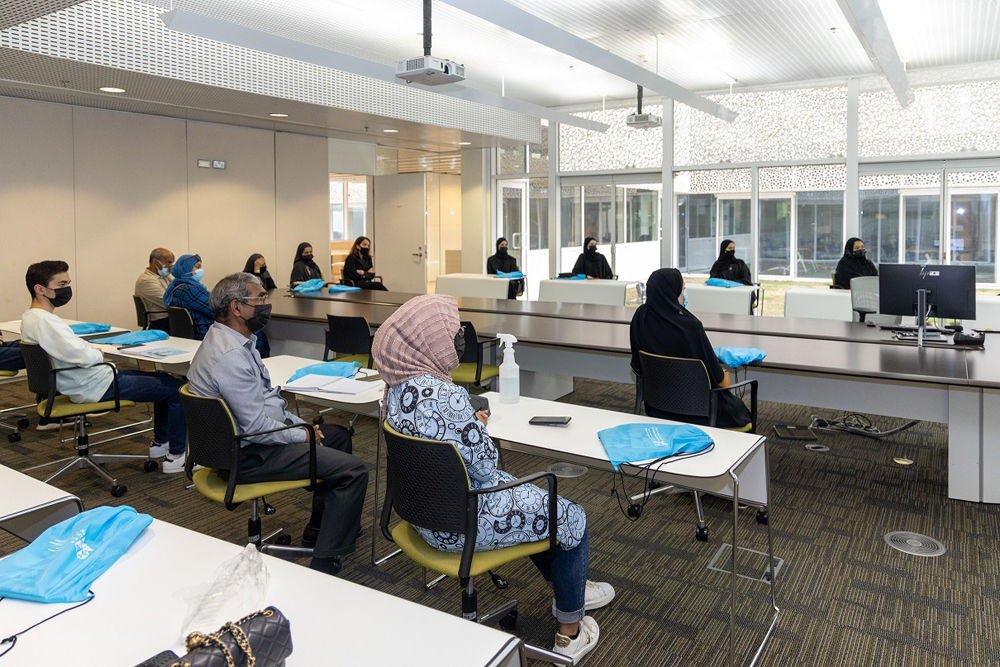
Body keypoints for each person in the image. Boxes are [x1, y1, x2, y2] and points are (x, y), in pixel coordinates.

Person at [372, 294, 614, 663]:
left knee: (538, 504)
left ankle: (571, 588)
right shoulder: (447, 396)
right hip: (461, 523)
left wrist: (467, 428)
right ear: (430, 340)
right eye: (450, 332)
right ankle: (570, 631)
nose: (457, 339)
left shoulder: (395, 389)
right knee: (571, 515)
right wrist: (478, 428)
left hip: (421, 514)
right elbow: (485, 465)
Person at [187, 272, 369, 576]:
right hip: (247, 455)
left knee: (338, 436)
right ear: (236, 307)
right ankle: (324, 561)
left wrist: (305, 428)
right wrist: (302, 434)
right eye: (259, 299)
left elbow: (267, 401)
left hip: (243, 440)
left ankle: (318, 529)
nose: (266, 304)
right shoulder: (230, 355)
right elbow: (256, 425)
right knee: (355, 470)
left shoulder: (231, 340)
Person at [20, 260, 188, 471]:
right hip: (94, 384)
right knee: (176, 390)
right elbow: (84, 356)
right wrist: (95, 352)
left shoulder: (32, 318)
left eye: (68, 283)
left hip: (85, 380)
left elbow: (72, 349)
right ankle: (175, 457)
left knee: (164, 380)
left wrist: (88, 351)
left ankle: (161, 445)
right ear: (40, 289)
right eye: (61, 284)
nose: (67, 289)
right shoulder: (46, 322)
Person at [630, 268, 752, 430]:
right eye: (683, 290)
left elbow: (637, 366)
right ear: (672, 292)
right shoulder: (690, 327)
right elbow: (716, 378)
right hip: (699, 412)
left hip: (656, 407)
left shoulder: (640, 317)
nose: (684, 294)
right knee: (739, 411)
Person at [164, 254, 213, 340]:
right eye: (197, 267)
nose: (200, 270)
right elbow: (216, 310)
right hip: (203, 333)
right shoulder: (189, 290)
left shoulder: (176, 286)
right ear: (186, 268)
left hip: (190, 334)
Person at [134, 248, 175, 333]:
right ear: (156, 262)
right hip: (162, 323)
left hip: (171, 320)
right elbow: (169, 302)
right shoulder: (146, 280)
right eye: (168, 262)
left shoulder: (166, 276)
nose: (171, 266)